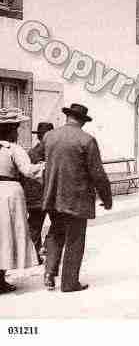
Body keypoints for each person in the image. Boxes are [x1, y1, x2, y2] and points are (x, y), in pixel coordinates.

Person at [41, 103, 112, 292]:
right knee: (75, 239)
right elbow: (97, 173)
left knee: (56, 234)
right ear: (82, 121)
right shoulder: (87, 140)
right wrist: (107, 198)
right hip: (76, 199)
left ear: (67, 117)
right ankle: (69, 283)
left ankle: (49, 273)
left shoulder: (49, 136)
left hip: (52, 196)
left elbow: (38, 160)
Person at [0, 108, 43, 294]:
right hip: (9, 192)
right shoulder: (13, 149)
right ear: (10, 130)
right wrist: (44, 166)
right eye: (15, 129)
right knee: (7, 234)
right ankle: (0, 280)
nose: (16, 133)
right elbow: (28, 171)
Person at [23, 122, 54, 265]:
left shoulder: (30, 153)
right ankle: (45, 249)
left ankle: (36, 253)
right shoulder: (50, 152)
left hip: (36, 196)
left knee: (35, 226)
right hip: (43, 195)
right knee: (56, 224)